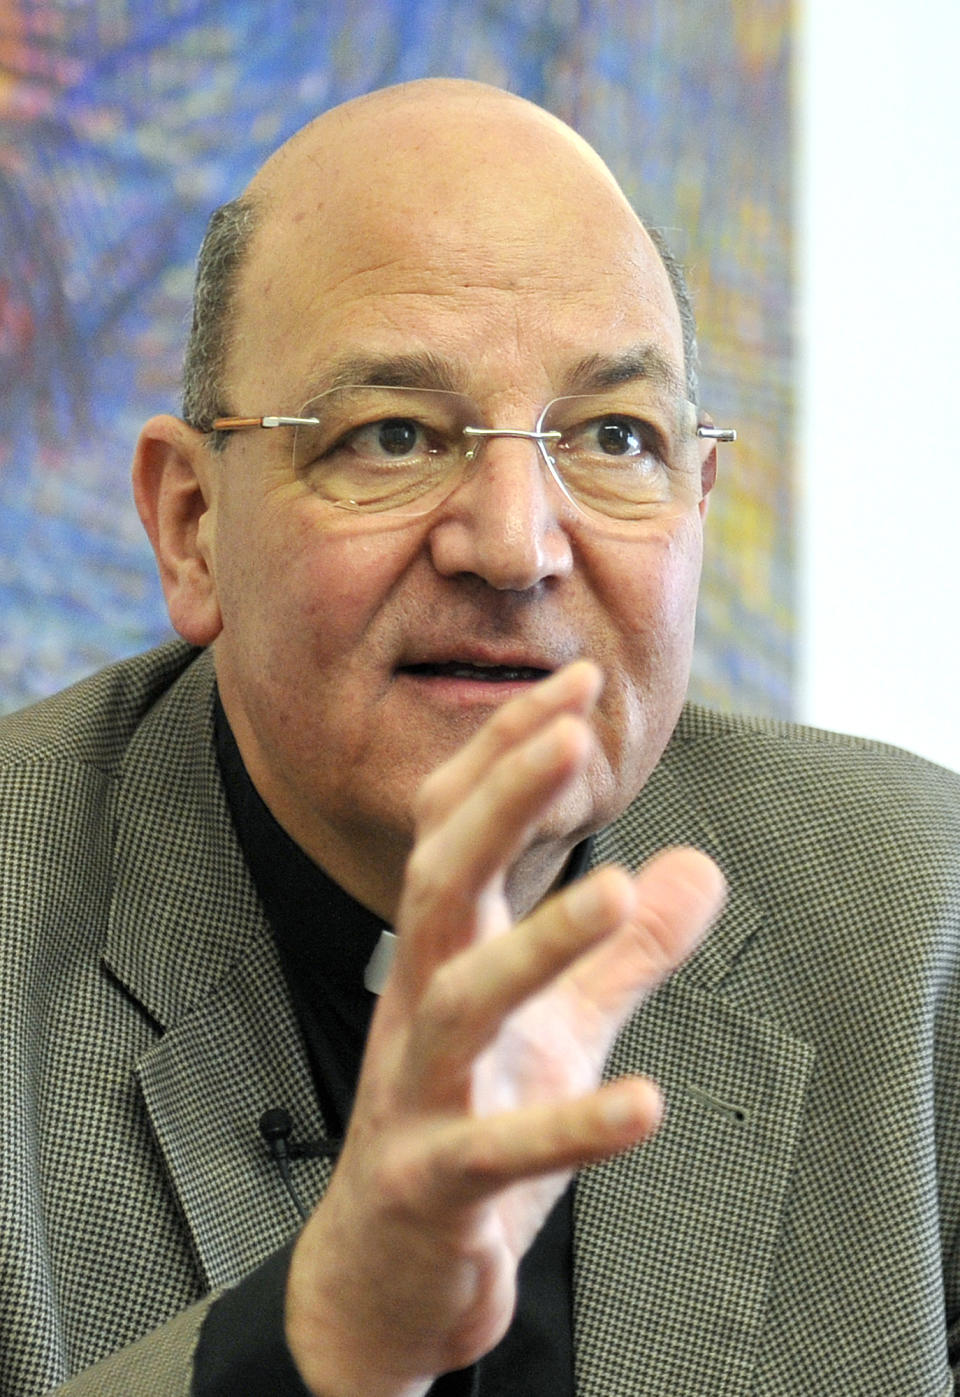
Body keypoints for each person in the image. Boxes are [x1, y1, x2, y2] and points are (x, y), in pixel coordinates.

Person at [0, 77, 957, 1397]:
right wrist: (318, 1340)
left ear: (697, 501)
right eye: (393, 433)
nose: (516, 544)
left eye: (616, 436)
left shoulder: (923, 929)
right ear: (191, 525)